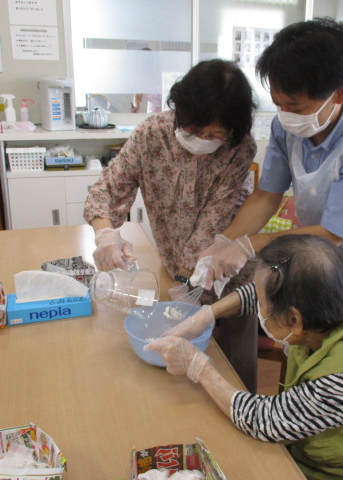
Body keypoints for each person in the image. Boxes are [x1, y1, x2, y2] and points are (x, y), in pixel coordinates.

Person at [146, 234, 343, 479]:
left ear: (293, 320)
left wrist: (199, 366)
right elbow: (258, 291)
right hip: (328, 448)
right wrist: (209, 313)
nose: (258, 307)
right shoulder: (335, 299)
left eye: (264, 305)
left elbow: (267, 421)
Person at [194, 18, 343, 316]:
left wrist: (247, 246)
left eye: (295, 107)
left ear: (340, 94)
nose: (285, 115)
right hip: (311, 250)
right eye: (278, 103)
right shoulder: (288, 127)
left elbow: (334, 234)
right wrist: (223, 241)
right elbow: (267, 195)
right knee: (302, 335)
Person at [84, 58, 259, 391]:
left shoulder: (239, 148)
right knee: (173, 366)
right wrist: (105, 233)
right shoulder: (152, 134)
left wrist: (189, 279)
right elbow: (108, 187)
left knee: (235, 367)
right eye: (194, 130)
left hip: (229, 270)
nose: (203, 140)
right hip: (174, 270)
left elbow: (215, 219)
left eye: (215, 135)